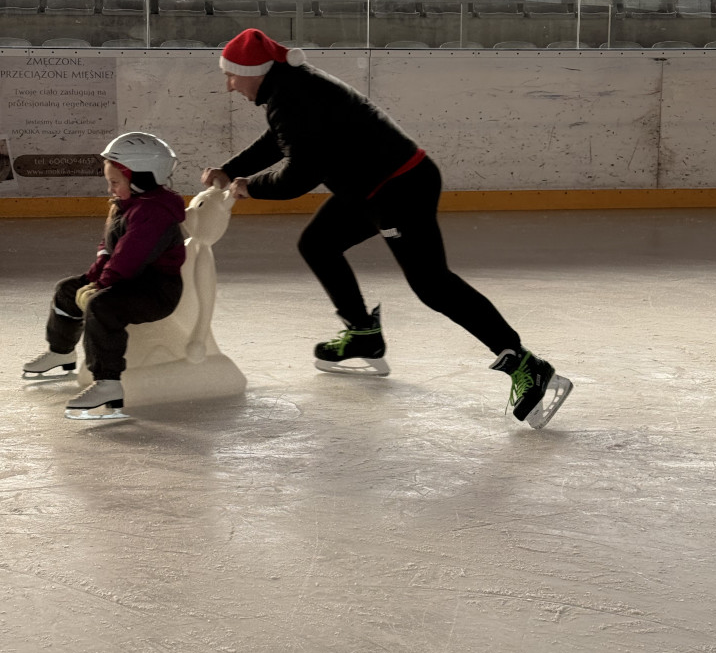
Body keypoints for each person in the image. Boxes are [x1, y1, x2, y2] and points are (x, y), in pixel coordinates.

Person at [202, 29, 572, 429]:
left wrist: (248, 187)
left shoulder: (293, 96)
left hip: (400, 188)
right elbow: (283, 140)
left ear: (254, 71)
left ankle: (524, 363)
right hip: (369, 187)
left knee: (432, 284)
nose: (229, 85)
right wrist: (232, 168)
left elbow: (297, 178)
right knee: (318, 243)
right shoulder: (288, 90)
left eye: (232, 76)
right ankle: (363, 334)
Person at [23, 132, 186, 420]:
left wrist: (101, 285)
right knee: (67, 289)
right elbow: (110, 247)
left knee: (102, 306)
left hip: (155, 290)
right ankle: (62, 352)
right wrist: (94, 276)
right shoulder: (128, 202)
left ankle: (108, 382)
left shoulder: (154, 213)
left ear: (142, 178)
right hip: (125, 278)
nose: (110, 189)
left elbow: (131, 256)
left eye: (114, 183)